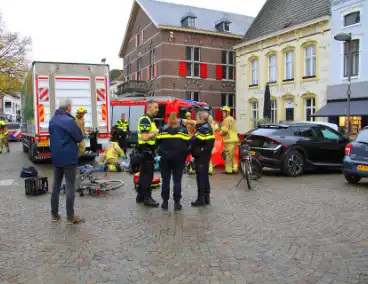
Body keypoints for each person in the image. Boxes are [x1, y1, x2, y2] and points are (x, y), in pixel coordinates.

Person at [49, 100, 85, 224]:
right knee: (70, 187)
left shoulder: (52, 120)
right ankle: (70, 217)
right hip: (69, 158)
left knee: (55, 187)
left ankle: (54, 215)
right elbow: (79, 137)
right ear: (68, 109)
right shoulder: (70, 121)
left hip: (56, 158)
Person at [157, 112, 190, 211]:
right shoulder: (183, 131)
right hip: (179, 159)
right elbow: (188, 144)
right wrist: (184, 155)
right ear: (177, 119)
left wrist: (160, 152)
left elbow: (156, 143)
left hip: (165, 158)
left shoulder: (162, 130)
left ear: (168, 119)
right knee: (177, 180)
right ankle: (177, 203)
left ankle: (165, 202)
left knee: (165, 180)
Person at [136, 101, 160, 207]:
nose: (158, 109)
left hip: (147, 150)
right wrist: (155, 132)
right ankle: (147, 198)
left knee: (143, 174)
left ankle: (140, 196)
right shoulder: (145, 120)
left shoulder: (150, 119)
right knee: (148, 176)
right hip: (146, 150)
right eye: (156, 107)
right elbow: (144, 137)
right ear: (149, 108)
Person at [190, 109, 215, 206]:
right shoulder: (207, 127)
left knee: (201, 177)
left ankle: (200, 199)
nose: (196, 120)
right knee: (204, 176)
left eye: (197, 118)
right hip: (205, 155)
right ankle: (206, 198)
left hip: (201, 156)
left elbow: (194, 140)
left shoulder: (203, 129)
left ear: (202, 118)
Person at [220, 106, 239, 174]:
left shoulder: (226, 120)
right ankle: (235, 168)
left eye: (224, 112)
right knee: (232, 155)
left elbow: (224, 130)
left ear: (227, 112)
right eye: (222, 112)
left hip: (229, 139)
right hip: (234, 139)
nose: (222, 113)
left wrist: (220, 134)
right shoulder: (232, 118)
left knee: (227, 155)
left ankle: (228, 170)